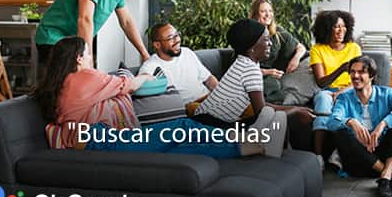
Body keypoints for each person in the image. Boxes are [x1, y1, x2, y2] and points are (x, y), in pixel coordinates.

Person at [32, 36, 285, 158]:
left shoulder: (64, 84)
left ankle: (255, 146)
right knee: (181, 127)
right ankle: (249, 138)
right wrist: (146, 77)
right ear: (78, 58)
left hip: (96, 140)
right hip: (99, 141)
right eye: (88, 54)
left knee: (179, 145)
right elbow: (128, 84)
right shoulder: (83, 77)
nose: (91, 58)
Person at [193, 19, 314, 128]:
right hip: (210, 124)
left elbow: (261, 105)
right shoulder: (250, 70)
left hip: (204, 119)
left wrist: (294, 108)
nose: (270, 43)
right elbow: (262, 112)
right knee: (275, 119)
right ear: (252, 48)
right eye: (266, 40)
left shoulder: (243, 61)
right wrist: (295, 111)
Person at [327, 55, 392, 197]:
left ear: (372, 75)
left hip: (384, 154)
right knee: (341, 132)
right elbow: (331, 122)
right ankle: (390, 174)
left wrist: (383, 124)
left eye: (361, 72)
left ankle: (385, 175)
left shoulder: (386, 93)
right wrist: (350, 121)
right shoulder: (344, 98)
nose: (355, 76)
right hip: (360, 162)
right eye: (352, 72)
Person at [309, 10, 362, 166]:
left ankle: (337, 153)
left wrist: (341, 92)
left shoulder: (354, 48)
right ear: (326, 29)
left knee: (348, 104)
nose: (341, 30)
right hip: (327, 91)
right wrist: (341, 69)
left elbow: (360, 79)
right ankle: (318, 156)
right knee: (323, 100)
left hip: (350, 89)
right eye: (336, 27)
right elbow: (321, 82)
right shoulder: (317, 49)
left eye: (343, 26)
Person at [139, 23, 218, 104]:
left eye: (177, 35)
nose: (177, 40)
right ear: (157, 45)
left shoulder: (187, 52)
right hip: (191, 106)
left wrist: (219, 94)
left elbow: (208, 79)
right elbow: (140, 82)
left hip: (209, 99)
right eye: (170, 38)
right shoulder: (150, 66)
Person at [249, 0, 307, 104]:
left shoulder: (277, 32)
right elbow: (242, 68)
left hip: (275, 75)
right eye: (263, 11)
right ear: (255, 14)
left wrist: (296, 59)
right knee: (272, 85)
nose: (268, 14)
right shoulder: (247, 33)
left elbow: (301, 47)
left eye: (270, 11)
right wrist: (267, 72)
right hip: (254, 75)